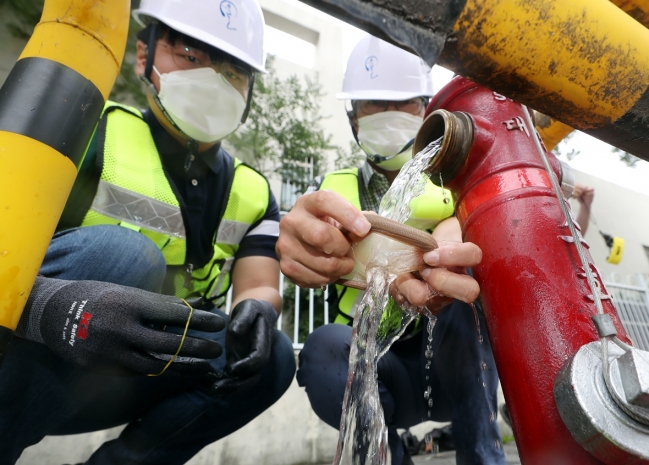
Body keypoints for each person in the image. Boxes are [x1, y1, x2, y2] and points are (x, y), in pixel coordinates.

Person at [0, 1, 295, 463]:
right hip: (45, 353)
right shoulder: (88, 128)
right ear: (145, 55)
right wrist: (51, 309)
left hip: (146, 367)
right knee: (128, 256)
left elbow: (258, 282)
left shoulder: (253, 190)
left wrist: (256, 308)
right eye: (193, 58)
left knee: (273, 358)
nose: (214, 81)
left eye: (233, 72)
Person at [278, 36, 506, 465]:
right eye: (373, 104)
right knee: (324, 347)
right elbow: (299, 239)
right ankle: (388, 455)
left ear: (426, 109)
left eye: (403, 103)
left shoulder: (457, 187)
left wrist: (463, 232)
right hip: (378, 371)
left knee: (464, 280)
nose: (389, 114)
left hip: (452, 369)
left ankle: (482, 453)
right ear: (354, 119)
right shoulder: (331, 191)